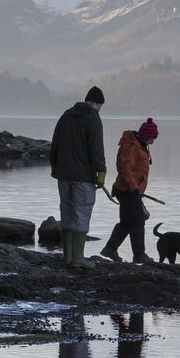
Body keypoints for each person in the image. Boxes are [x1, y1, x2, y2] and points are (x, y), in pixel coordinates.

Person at [49, 86, 106, 267]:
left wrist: (55, 167)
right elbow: (96, 148)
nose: (100, 109)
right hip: (83, 176)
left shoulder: (66, 115)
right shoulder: (93, 118)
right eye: (101, 106)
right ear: (97, 103)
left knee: (66, 211)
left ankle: (67, 257)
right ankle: (78, 258)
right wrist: (101, 172)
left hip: (63, 174)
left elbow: (55, 144)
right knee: (81, 213)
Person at [100, 117, 158, 264]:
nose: (153, 141)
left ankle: (110, 249)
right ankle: (139, 255)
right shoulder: (131, 146)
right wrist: (133, 187)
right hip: (127, 190)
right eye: (152, 138)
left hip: (130, 190)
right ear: (145, 136)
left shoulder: (140, 145)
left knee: (127, 222)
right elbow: (124, 168)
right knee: (138, 221)